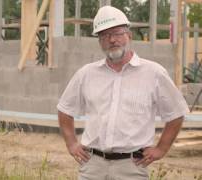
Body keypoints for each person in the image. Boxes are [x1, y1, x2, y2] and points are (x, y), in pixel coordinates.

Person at [57, 5, 189, 180]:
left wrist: (161, 149)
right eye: (104, 35)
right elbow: (64, 109)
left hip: (132, 167)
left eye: (117, 33)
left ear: (129, 35)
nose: (112, 40)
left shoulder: (154, 73)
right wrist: (72, 143)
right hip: (92, 165)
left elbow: (176, 113)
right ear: (99, 41)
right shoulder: (86, 74)